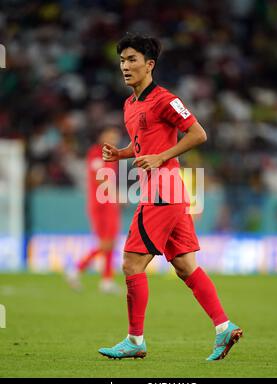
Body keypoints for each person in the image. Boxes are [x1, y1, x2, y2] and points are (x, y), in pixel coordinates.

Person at [98, 34, 243, 360]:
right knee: (185, 265)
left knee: (132, 263)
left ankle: (135, 341)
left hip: (162, 191)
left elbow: (198, 133)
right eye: (122, 60)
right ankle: (224, 328)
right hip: (170, 193)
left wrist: (162, 156)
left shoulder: (165, 99)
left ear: (150, 64)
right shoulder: (130, 104)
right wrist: (121, 153)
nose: (125, 66)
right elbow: (142, 147)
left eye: (132, 59)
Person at [67, 126, 121, 294]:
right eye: (110, 135)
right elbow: (99, 178)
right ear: (102, 136)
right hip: (99, 204)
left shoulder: (114, 156)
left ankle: (106, 280)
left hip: (110, 203)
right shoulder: (96, 153)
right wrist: (114, 192)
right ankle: (76, 269)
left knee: (111, 241)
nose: (113, 139)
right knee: (106, 243)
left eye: (115, 136)